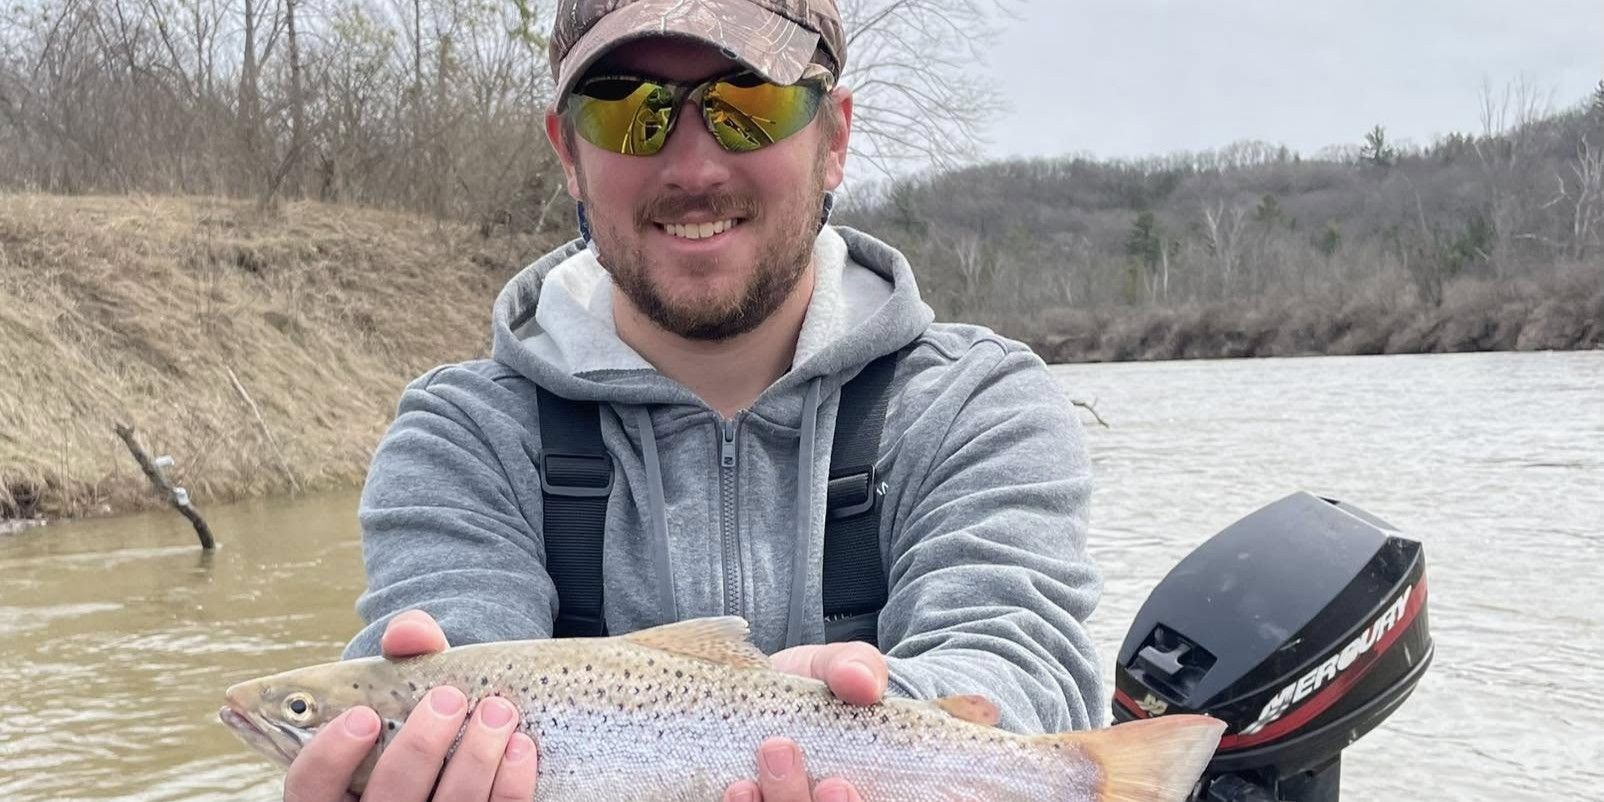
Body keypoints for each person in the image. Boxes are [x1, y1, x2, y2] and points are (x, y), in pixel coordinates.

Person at [281, 0, 1103, 799]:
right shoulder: (461, 436)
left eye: (750, 103)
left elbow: (1021, 669)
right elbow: (456, 635)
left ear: (836, 137)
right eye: (628, 112)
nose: (695, 168)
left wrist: (867, 720)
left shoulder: (974, 402)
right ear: (568, 152)